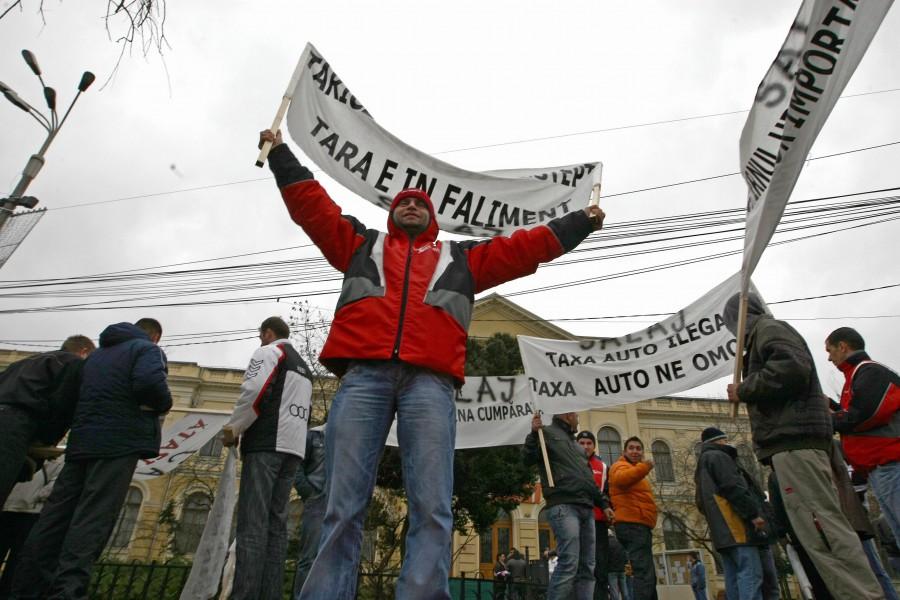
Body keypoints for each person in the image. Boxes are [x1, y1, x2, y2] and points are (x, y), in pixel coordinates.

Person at [258, 127, 606, 600]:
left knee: (433, 506)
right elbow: (312, 207)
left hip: (431, 385)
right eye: (404, 201)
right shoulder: (361, 245)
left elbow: (523, 249)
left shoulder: (460, 258)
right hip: (363, 378)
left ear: (434, 217)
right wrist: (280, 153)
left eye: (421, 202)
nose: (412, 205)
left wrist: (578, 223)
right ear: (391, 212)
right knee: (341, 506)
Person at [723, 294, 882, 599]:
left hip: (794, 444)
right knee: (818, 531)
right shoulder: (765, 334)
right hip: (792, 445)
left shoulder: (769, 330)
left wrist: (744, 389)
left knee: (824, 528)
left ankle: (861, 594)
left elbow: (792, 369)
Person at [11, 318, 172, 600]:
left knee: (55, 517)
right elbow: (150, 384)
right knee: (94, 518)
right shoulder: (147, 351)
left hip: (81, 443)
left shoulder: (95, 357)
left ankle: (26, 588)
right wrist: (164, 402)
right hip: (118, 444)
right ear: (156, 336)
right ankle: (68, 591)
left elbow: (70, 397)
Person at [222, 316, 312, 600]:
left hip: (265, 445)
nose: (260, 341)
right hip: (293, 449)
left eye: (261, 336)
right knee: (276, 526)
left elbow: (254, 390)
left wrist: (235, 428)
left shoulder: (270, 352)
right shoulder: (304, 367)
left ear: (268, 333)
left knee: (252, 523)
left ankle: (245, 595)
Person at [524, 413, 613, 600]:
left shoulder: (576, 446)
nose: (578, 419)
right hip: (563, 505)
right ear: (567, 415)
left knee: (588, 566)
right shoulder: (545, 433)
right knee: (569, 562)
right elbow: (528, 459)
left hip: (586, 508)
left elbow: (589, 480)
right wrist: (533, 435)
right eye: (576, 415)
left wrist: (603, 504)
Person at [826, 327, 900, 548]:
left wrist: (828, 421)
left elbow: (867, 413)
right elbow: (856, 414)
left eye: (830, 350)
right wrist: (832, 406)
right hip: (879, 468)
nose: (829, 358)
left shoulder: (871, 372)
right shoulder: (857, 376)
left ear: (843, 346)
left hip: (891, 463)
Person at [0, 335, 94, 506]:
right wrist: (47, 441)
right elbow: (63, 403)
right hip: (15, 425)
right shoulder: (73, 363)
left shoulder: (24, 363)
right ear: (84, 351)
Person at [693, 427, 767, 600]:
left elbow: (700, 502)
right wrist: (753, 514)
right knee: (750, 574)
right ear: (719, 440)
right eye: (725, 440)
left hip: (721, 533)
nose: (727, 443)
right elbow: (734, 487)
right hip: (736, 527)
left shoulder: (702, 464)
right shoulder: (719, 457)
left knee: (732, 577)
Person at [0, 457, 63, 598]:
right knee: (18, 562)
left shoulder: (23, 455)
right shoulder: (60, 460)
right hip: (31, 512)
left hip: (12, 509)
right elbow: (53, 489)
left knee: (17, 561)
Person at [609, 436, 658, 600]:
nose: (635, 451)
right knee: (644, 572)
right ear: (624, 451)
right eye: (631, 448)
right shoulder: (620, 466)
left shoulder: (635, 470)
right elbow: (622, 480)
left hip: (640, 525)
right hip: (632, 525)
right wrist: (645, 467)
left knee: (647, 573)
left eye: (638, 448)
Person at [576, 430, 612, 600]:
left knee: (600, 567)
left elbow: (607, 492)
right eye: (582, 443)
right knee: (578, 566)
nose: (585, 446)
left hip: (598, 522)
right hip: (577, 522)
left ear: (594, 446)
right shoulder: (570, 463)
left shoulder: (603, 467)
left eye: (588, 443)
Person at [292, 425, 326, 599]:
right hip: (317, 501)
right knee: (309, 558)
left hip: (340, 503)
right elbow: (296, 467)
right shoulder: (314, 436)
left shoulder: (350, 437)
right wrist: (310, 494)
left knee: (335, 558)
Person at [607, 533, 629, 600]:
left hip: (611, 570)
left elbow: (605, 557)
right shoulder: (620, 542)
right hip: (621, 570)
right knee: (624, 590)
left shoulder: (606, 543)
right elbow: (626, 556)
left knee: (614, 592)